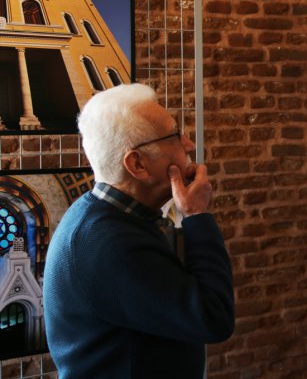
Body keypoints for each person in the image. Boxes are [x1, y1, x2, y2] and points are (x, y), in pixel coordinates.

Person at [43, 84, 235, 379]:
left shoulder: (106, 218)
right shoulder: (108, 244)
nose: (188, 145)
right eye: (174, 135)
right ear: (137, 163)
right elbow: (213, 317)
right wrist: (197, 215)